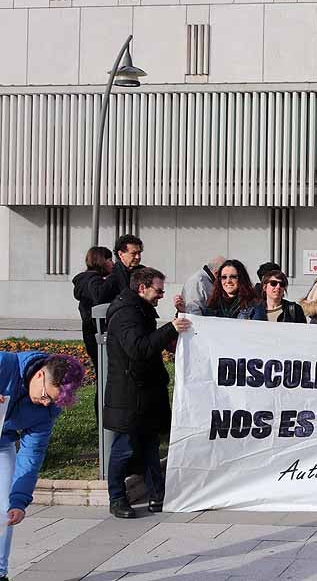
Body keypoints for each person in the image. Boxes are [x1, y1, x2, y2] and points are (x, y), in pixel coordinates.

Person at [104, 267, 191, 518]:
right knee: (125, 448)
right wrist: (170, 328)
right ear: (142, 288)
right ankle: (117, 498)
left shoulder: (138, 309)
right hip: (129, 395)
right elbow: (139, 348)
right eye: (158, 290)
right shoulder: (125, 314)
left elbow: (148, 342)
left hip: (145, 393)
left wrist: (176, 318)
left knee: (150, 446)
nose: (161, 295)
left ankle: (156, 494)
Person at [0, 352, 84, 579]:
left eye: (53, 401)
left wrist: (19, 501)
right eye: (46, 395)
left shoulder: (47, 410)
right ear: (39, 375)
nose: (46, 403)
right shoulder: (3, 365)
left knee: (5, 509)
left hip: (2, 444)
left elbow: (32, 454)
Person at [71, 246, 115, 410]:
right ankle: (103, 416)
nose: (112, 263)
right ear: (101, 261)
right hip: (97, 336)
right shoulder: (93, 281)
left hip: (93, 335)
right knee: (105, 378)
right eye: (109, 259)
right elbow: (99, 297)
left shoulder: (88, 280)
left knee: (104, 377)